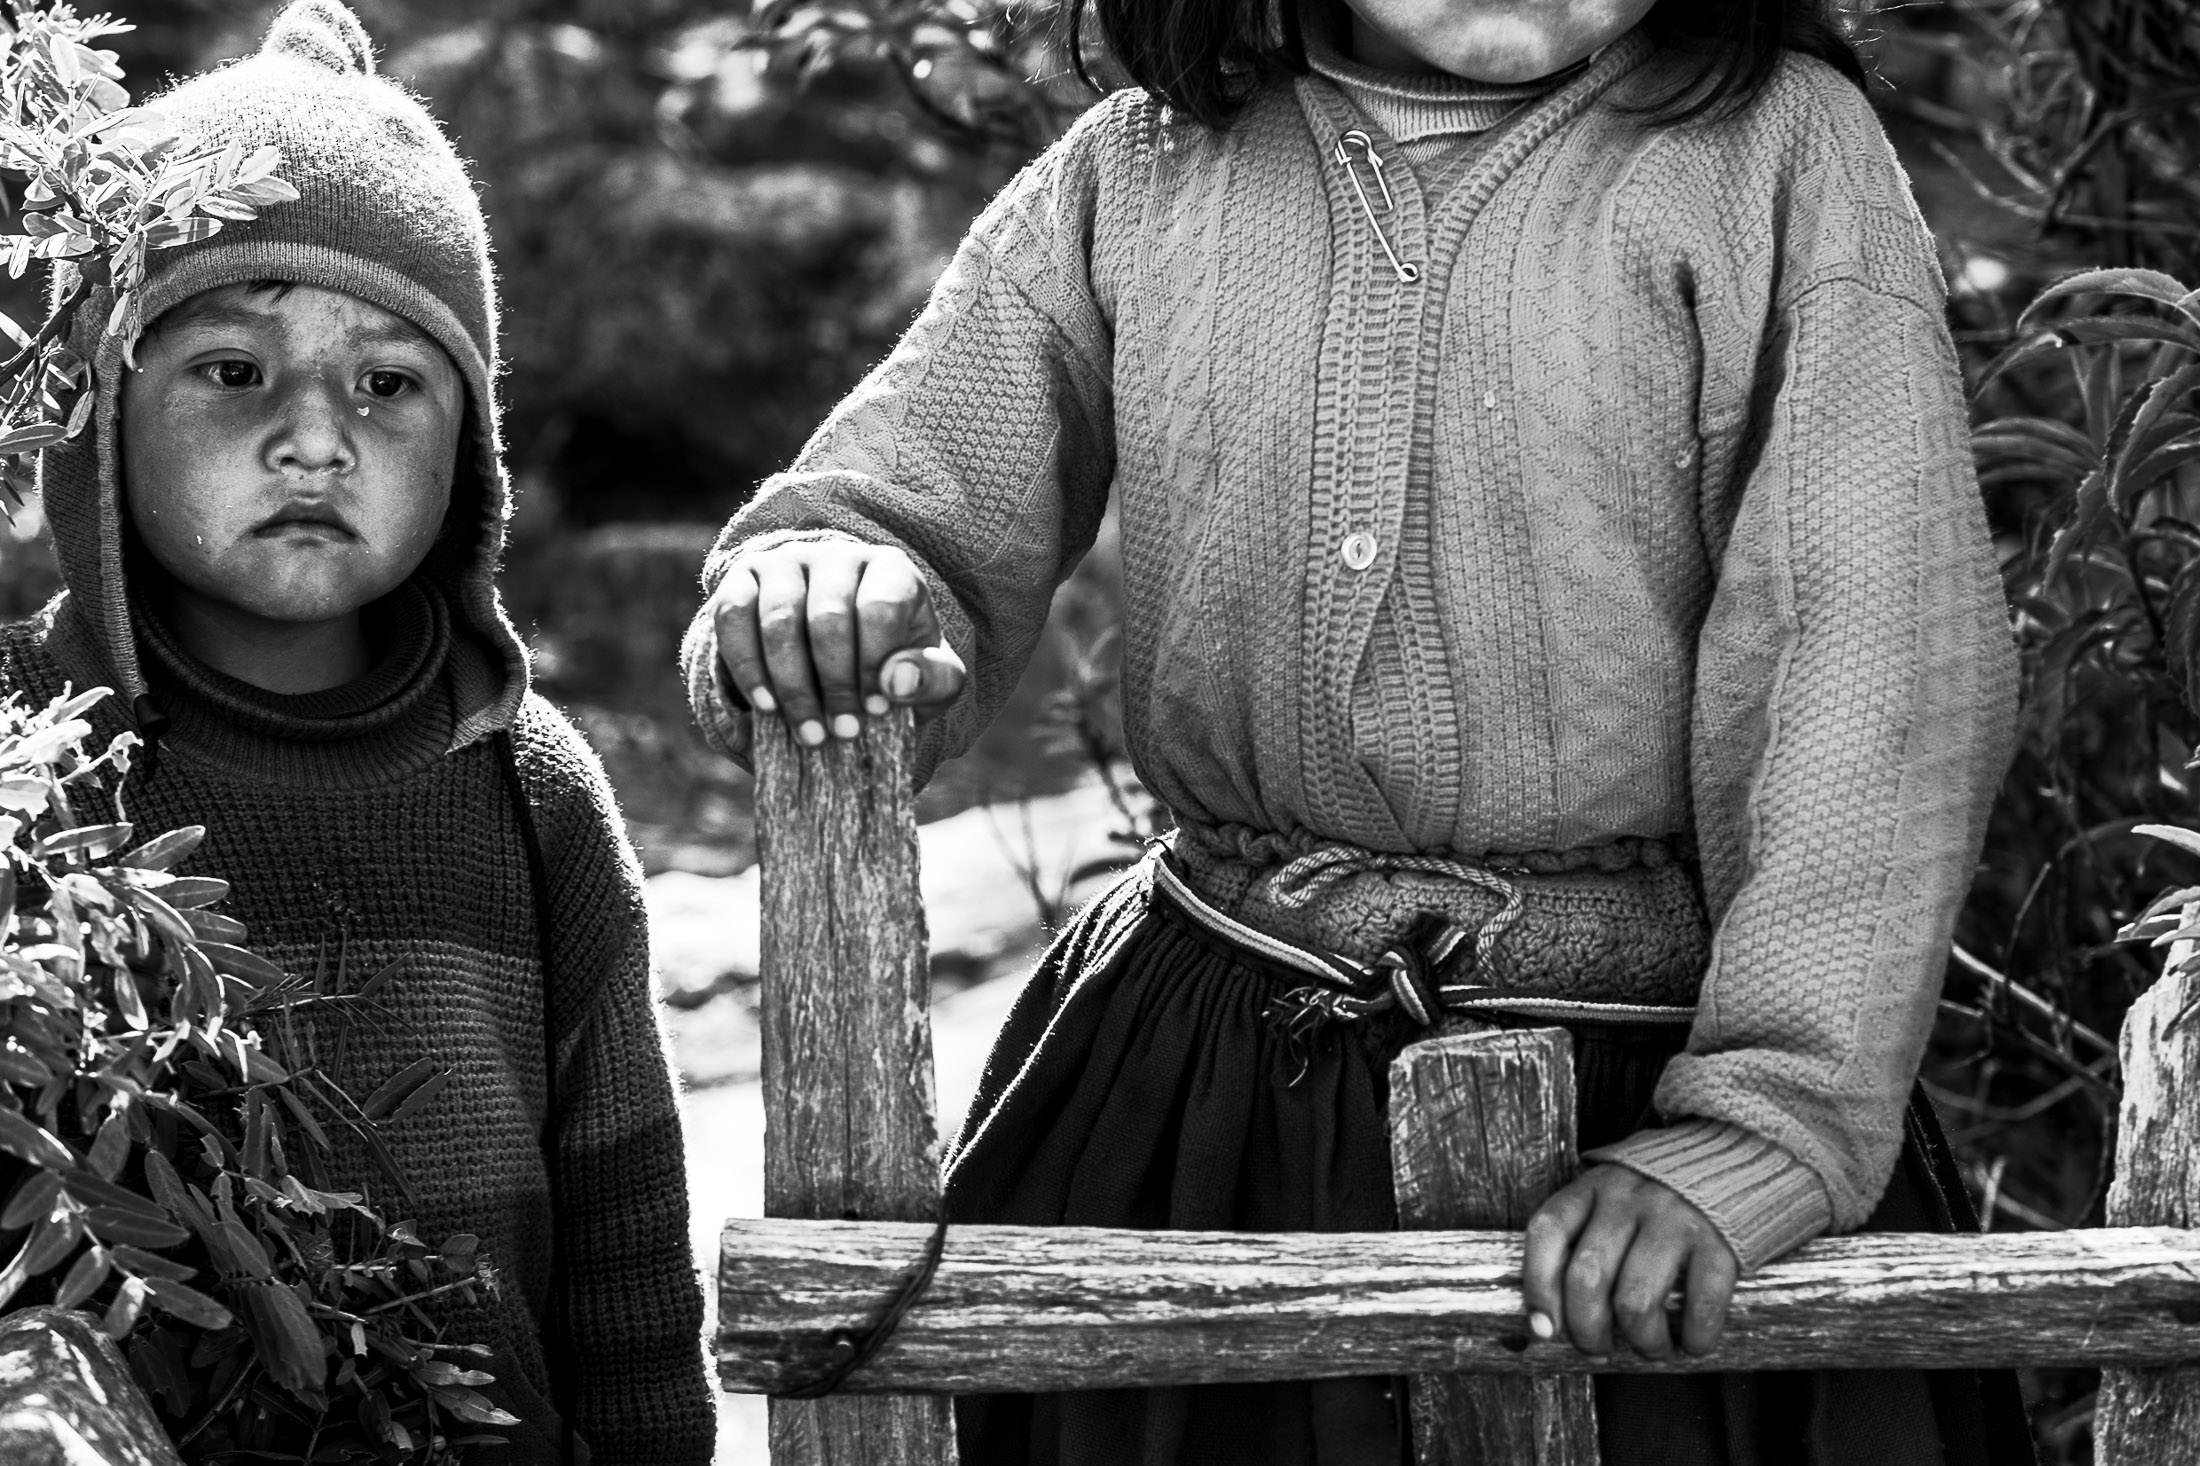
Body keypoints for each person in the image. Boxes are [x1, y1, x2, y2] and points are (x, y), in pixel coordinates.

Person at [683, 0, 2033, 1461]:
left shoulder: (1776, 151)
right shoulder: (1140, 170)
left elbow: (1877, 647)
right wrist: (835, 586)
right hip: (1197, 1085)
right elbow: (905, 507)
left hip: (1652, 1112)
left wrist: (1765, 1127)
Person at [2, 4, 714, 1462]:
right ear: (96, 411)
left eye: (389, 383)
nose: (316, 436)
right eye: (232, 369)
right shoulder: (24, 766)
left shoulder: (531, 796)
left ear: (470, 451)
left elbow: (628, 1250)